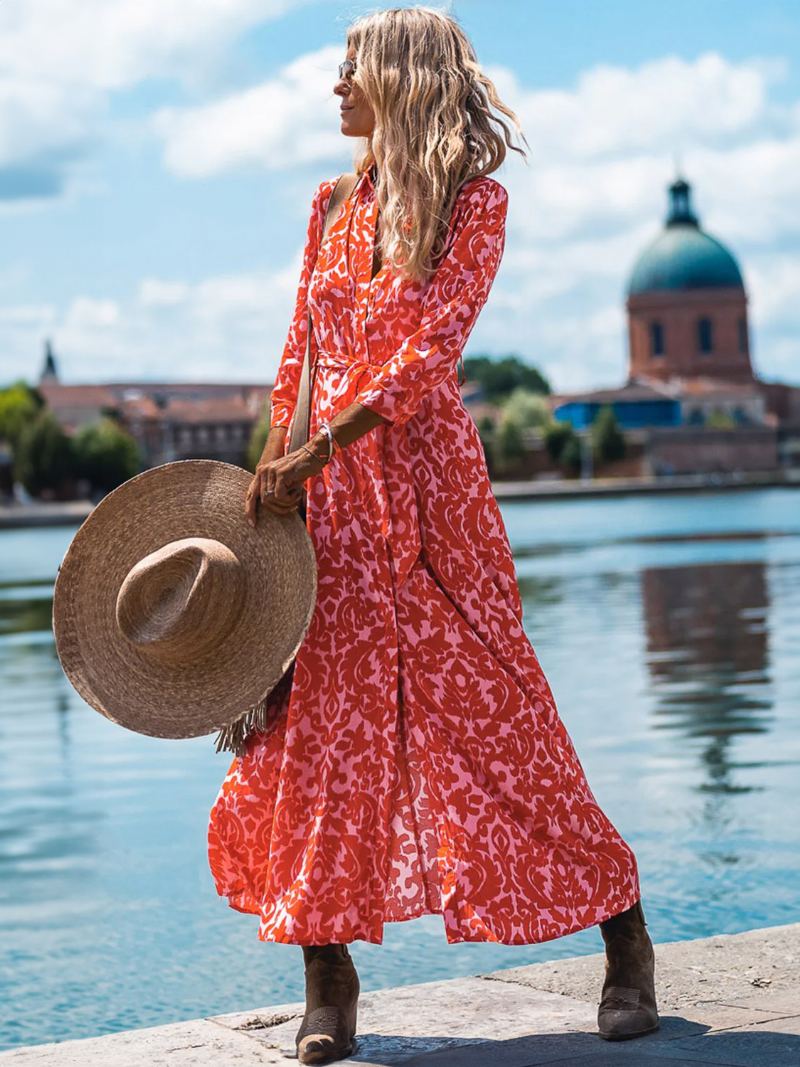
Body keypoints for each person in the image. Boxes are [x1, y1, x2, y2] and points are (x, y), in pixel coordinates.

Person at [207, 6, 658, 1063]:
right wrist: (278, 468)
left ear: (399, 78)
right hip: (326, 509)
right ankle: (326, 974)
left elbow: (425, 356)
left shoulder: (474, 203)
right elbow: (298, 358)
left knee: (499, 715)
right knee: (317, 730)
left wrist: (321, 450)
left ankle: (623, 933)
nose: (333, 88)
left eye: (348, 69)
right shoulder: (326, 205)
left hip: (427, 495)